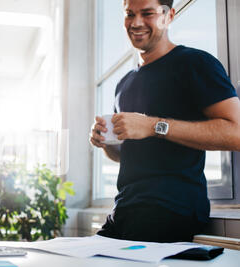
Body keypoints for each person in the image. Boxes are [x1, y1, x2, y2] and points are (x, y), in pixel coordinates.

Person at [89, 0, 240, 242]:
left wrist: (152, 126)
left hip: (170, 211)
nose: (136, 23)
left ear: (168, 16)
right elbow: (126, 154)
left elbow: (236, 133)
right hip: (124, 210)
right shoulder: (124, 83)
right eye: (130, 14)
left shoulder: (195, 64)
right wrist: (106, 141)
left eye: (147, 13)